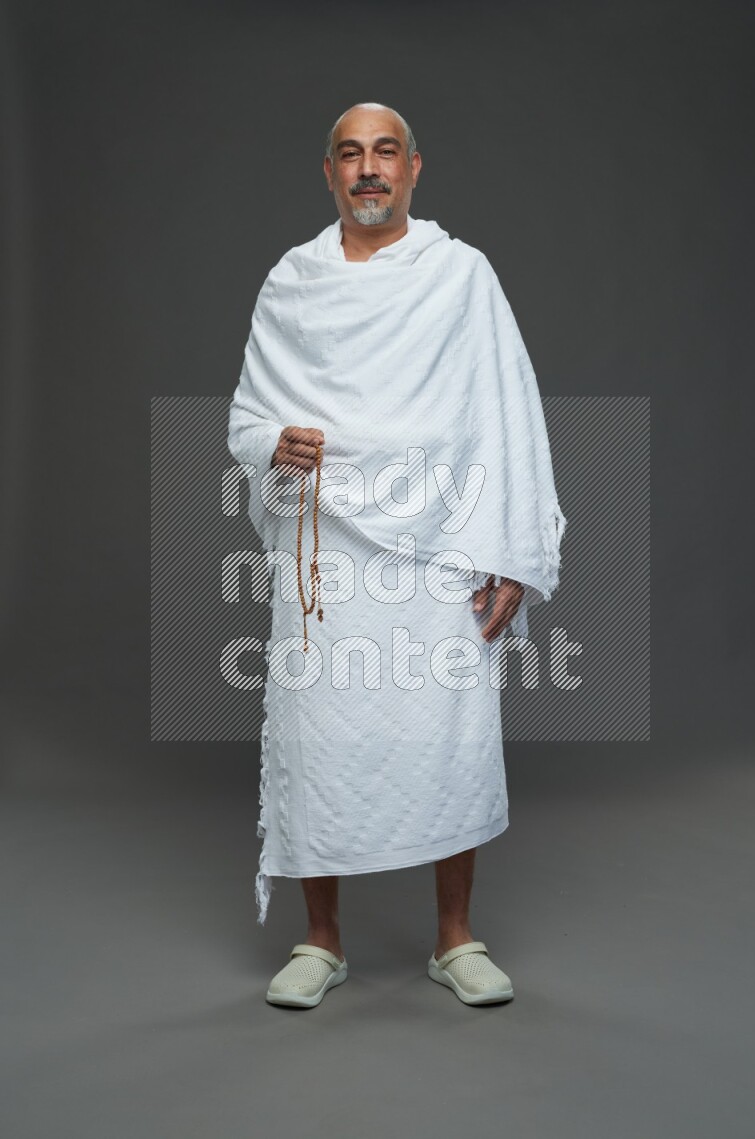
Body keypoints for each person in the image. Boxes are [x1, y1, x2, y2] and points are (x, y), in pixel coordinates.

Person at [227, 102, 567, 1008]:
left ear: (415, 168)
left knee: (446, 737)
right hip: (328, 553)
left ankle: (455, 937)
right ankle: (320, 940)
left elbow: (508, 415)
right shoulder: (292, 282)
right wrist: (273, 447)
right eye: (351, 154)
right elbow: (247, 416)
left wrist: (512, 553)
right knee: (318, 734)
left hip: (440, 548)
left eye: (385, 153)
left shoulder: (460, 277)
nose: (369, 169)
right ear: (328, 172)